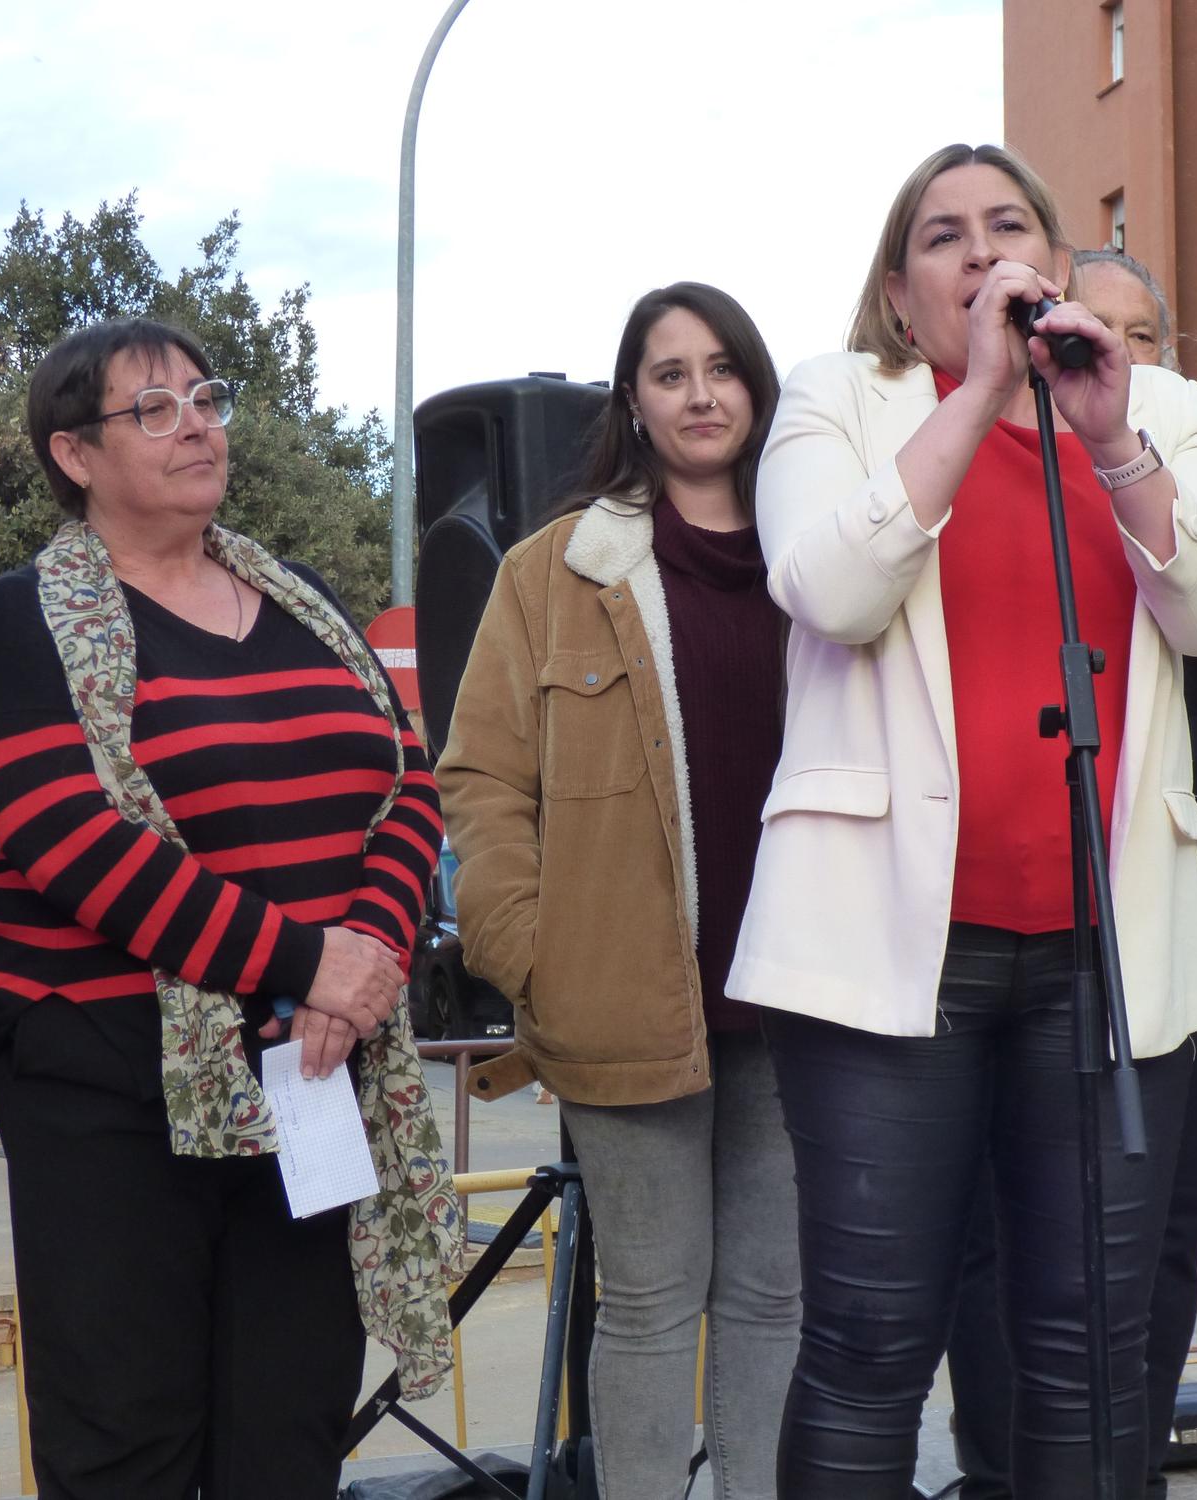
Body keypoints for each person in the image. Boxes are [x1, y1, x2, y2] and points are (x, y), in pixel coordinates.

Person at [725, 144, 1197, 1497]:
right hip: (882, 965)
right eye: (943, 236)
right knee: (869, 1342)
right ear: (903, 295)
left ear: (1054, 260)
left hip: (1104, 956)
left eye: (1008, 225)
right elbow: (832, 589)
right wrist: (977, 395)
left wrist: (1111, 439)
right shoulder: (836, 402)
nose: (980, 252)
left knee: (1091, 1347)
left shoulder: (1156, 407)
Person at [0, 318, 460, 1497]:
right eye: (155, 409)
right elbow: (78, 846)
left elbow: (406, 783)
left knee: (287, 1430)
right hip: (108, 1084)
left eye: (206, 398)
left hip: (308, 1076)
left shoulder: (302, 601)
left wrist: (368, 954)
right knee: (126, 1437)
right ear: (75, 456)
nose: (198, 425)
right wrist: (301, 961)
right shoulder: (23, 622)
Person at [941, 248, 1197, 1500]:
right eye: (1081, 322)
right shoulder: (979, 480)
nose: (1110, 348)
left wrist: (1138, 805)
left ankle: (1125, 1471)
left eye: (1140, 332)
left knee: (1153, 1245)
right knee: (1000, 1247)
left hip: (1169, 930)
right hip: (1008, 942)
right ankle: (1004, 1474)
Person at [437, 282, 799, 1500]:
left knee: (772, 1298)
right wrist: (529, 953)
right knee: (647, 1304)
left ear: (756, 386)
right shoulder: (555, 572)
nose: (700, 394)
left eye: (721, 368)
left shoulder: (821, 558)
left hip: (804, 991)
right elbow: (480, 774)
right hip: (624, 1001)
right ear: (632, 404)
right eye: (668, 373)